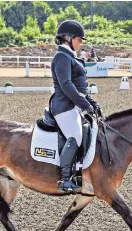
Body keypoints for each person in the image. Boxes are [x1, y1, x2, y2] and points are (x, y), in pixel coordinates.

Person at [50, 20, 104, 193]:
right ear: (68, 38)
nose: (81, 43)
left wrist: (91, 103)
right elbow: (66, 85)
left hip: (73, 106)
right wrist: (85, 105)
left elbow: (79, 88)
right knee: (75, 136)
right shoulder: (61, 57)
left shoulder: (70, 57)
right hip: (63, 106)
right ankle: (65, 179)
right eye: (79, 39)